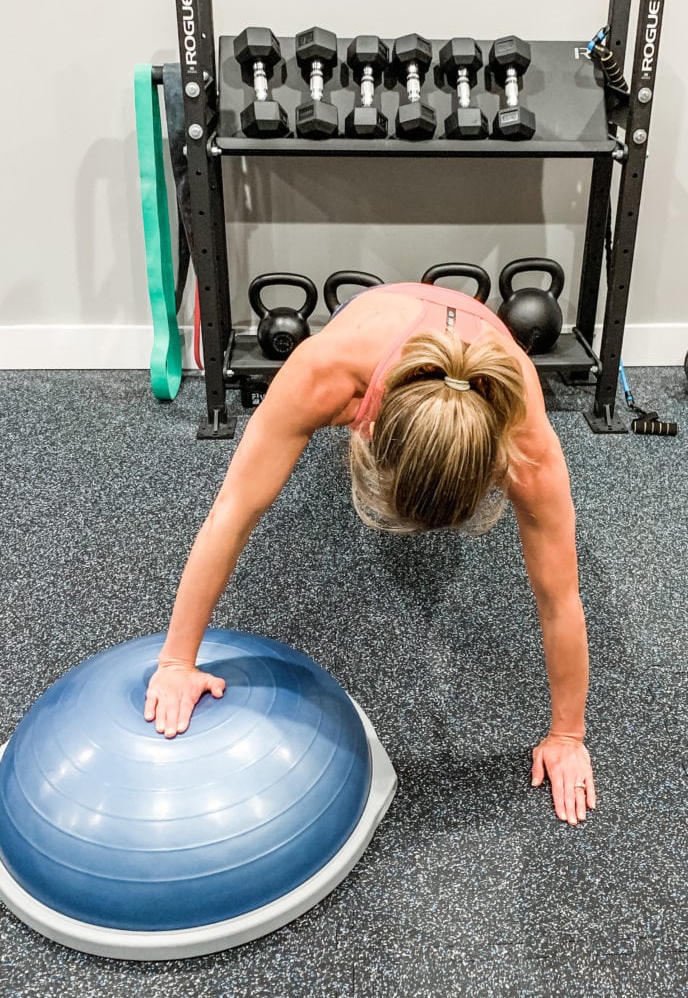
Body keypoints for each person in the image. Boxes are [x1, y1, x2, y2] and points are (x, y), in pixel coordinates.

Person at [144, 281, 597, 826]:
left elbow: (559, 597)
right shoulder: (329, 374)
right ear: (368, 434)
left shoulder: (525, 438)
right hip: (373, 314)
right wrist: (176, 661)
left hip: (471, 336)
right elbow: (233, 510)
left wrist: (568, 735)